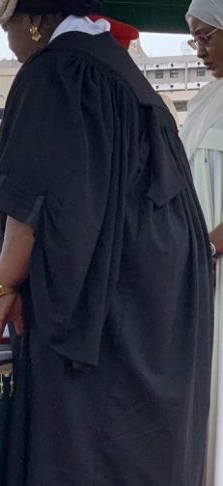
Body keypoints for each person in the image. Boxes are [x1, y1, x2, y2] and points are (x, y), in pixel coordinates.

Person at [0, 1, 214, 485]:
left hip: (101, 312)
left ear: (35, 21)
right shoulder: (127, 76)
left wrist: (5, 288)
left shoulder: (56, 71)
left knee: (85, 447)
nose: (11, 44)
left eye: (8, 29)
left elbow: (31, 201)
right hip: (160, 305)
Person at [179, 1, 223, 483]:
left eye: (206, 35)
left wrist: (207, 248)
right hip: (200, 271)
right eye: (193, 38)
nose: (199, 49)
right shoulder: (206, 101)